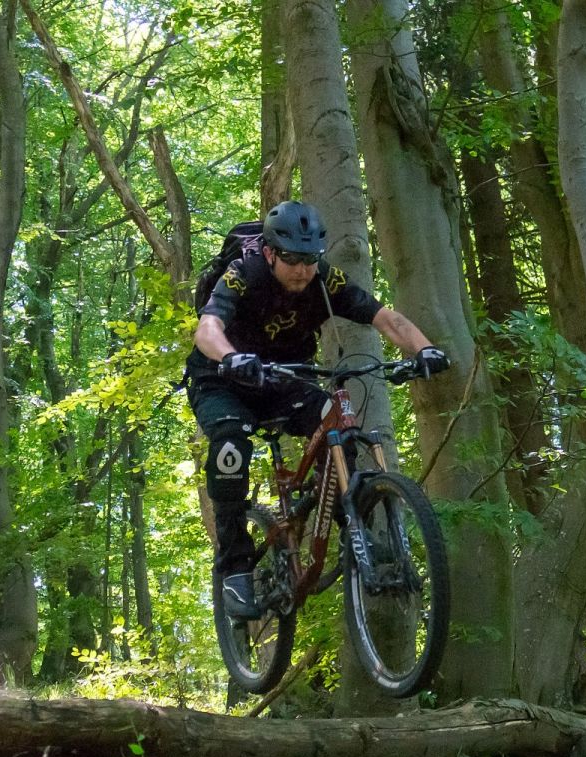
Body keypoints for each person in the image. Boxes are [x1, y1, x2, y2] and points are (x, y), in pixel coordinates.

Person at [186, 200, 448, 620]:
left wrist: (425, 349)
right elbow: (208, 328)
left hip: (284, 378)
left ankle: (352, 529)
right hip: (222, 379)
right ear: (270, 253)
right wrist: (231, 357)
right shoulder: (244, 273)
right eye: (291, 259)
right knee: (230, 445)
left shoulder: (324, 280)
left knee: (336, 422)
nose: (302, 270)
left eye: (309, 259)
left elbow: (384, 317)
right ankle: (234, 566)